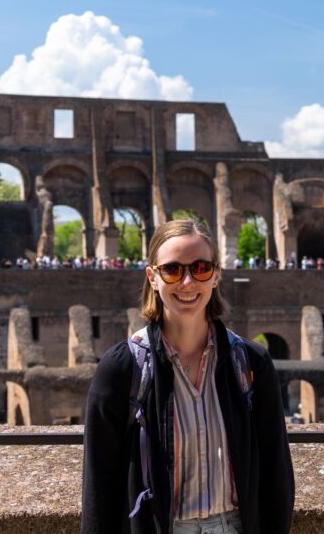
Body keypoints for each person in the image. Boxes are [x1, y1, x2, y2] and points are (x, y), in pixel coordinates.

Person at [82, 219, 295, 534]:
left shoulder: (250, 363)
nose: (187, 283)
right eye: (172, 270)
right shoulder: (121, 368)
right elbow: (99, 486)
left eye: (200, 268)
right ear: (153, 277)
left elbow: (276, 471)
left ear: (216, 275)